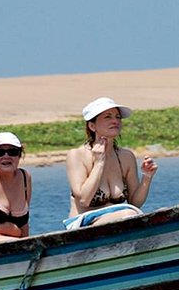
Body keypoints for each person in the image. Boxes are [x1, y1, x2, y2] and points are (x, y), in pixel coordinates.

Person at [64, 97, 158, 229]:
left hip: (120, 221)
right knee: (129, 214)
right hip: (83, 226)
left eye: (118, 117)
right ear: (92, 126)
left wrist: (147, 177)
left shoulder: (126, 157)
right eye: (108, 117)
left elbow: (135, 202)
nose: (115, 121)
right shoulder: (77, 155)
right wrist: (99, 163)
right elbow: (84, 200)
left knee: (132, 213)